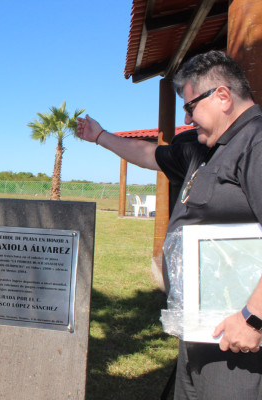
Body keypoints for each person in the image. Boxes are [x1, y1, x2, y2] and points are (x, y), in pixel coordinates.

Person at [77, 50, 262, 399]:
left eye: (191, 106)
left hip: (240, 342)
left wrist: (253, 318)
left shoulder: (255, 142)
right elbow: (151, 155)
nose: (187, 117)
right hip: (203, 331)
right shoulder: (205, 148)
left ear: (222, 96)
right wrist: (100, 136)